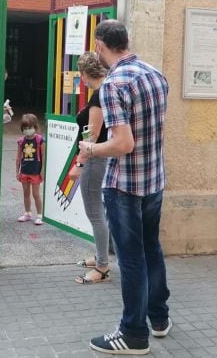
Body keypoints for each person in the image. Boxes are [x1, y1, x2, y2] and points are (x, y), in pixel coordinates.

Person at [79, 20, 171, 355]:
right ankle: (159, 320)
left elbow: (122, 143)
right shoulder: (155, 75)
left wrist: (91, 149)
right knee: (152, 250)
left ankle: (133, 334)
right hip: (154, 181)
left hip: (125, 187)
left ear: (101, 45)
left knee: (132, 260)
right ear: (126, 41)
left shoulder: (113, 84)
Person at [69, 52, 110, 285]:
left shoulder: (99, 97)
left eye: (81, 73)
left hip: (94, 161)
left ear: (85, 73)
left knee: (94, 213)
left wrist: (79, 163)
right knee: (99, 213)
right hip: (98, 159)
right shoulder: (104, 92)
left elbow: (91, 135)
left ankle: (103, 267)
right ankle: (100, 256)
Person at [16, 113, 45, 225]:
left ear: (35, 127)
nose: (28, 130)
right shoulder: (21, 141)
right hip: (24, 171)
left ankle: (39, 215)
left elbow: (43, 157)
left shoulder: (39, 140)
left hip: (35, 171)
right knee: (26, 193)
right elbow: (18, 157)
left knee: (36, 194)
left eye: (30, 127)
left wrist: (42, 171)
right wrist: (17, 171)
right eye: (25, 128)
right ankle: (27, 213)